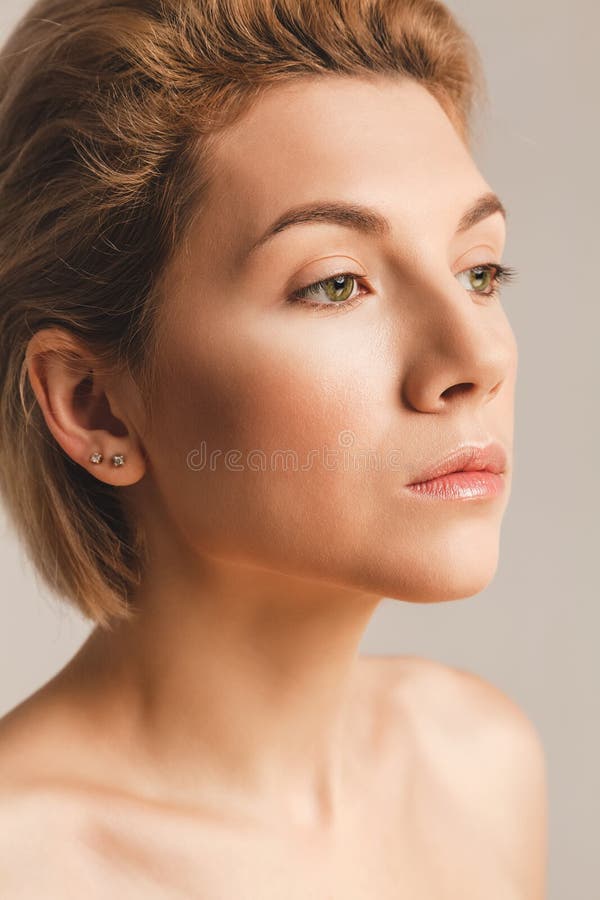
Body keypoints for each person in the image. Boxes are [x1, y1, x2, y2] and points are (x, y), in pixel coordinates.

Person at [0, 0, 547, 895]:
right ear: (95, 406)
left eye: (478, 271)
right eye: (337, 284)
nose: (476, 358)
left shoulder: (479, 771)